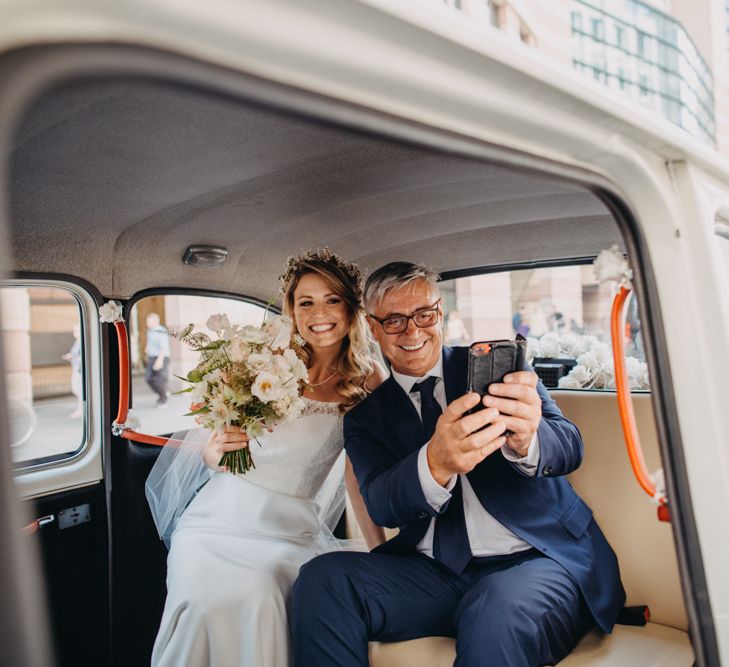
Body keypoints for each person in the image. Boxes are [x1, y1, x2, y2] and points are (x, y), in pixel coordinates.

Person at [292, 261, 625, 667]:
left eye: (424, 315)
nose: (412, 331)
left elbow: (569, 447)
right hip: (434, 575)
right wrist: (434, 463)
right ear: (374, 329)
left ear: (440, 316)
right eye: (394, 320)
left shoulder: (500, 368)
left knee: (494, 608)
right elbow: (381, 503)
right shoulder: (366, 417)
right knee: (321, 579)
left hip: (537, 561)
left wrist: (527, 439)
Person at [146, 249, 387, 667]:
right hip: (217, 520)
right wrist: (216, 451)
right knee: (202, 593)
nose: (319, 313)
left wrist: (380, 550)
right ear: (291, 310)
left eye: (332, 300)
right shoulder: (262, 359)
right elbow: (213, 448)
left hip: (289, 531)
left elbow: (357, 477)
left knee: (260, 590)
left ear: (352, 308)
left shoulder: (367, 380)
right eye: (305, 302)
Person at [145, 312, 170, 408]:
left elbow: (164, 348)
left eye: (149, 321)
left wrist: (160, 360)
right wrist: (147, 348)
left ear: (155, 321)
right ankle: (163, 392)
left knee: (160, 379)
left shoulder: (161, 331)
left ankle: (163, 400)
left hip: (161, 357)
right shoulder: (150, 331)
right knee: (148, 378)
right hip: (152, 357)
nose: (147, 323)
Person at [62, 323, 82, 418]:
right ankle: (80, 409)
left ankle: (81, 409)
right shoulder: (77, 342)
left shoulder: (82, 343)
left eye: (77, 331)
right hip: (76, 368)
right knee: (76, 389)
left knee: (79, 390)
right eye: (74, 331)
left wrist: (72, 357)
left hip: (80, 370)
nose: (75, 333)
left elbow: (84, 358)